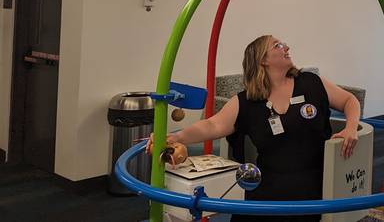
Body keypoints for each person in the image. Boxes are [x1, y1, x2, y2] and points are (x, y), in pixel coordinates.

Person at [147, 35, 361, 221]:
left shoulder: (311, 82)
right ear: (263, 60)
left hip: (315, 187)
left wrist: (351, 127)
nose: (286, 48)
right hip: (267, 189)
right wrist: (177, 137)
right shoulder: (247, 101)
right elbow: (212, 125)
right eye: (278, 45)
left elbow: (349, 101)